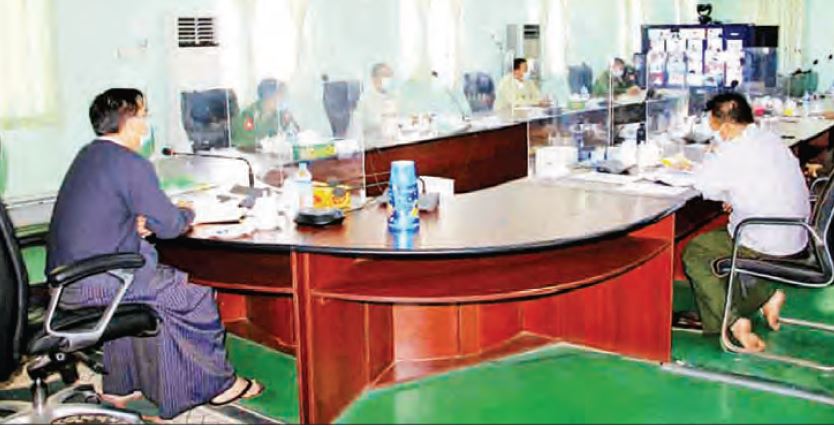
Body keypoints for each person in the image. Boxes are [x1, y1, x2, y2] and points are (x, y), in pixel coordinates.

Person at [46, 88, 263, 421]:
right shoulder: (131, 163)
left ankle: (120, 386)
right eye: (143, 114)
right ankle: (220, 386)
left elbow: (96, 214)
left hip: (67, 283)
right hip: (98, 281)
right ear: (129, 120)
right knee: (192, 294)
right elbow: (172, 225)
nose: (147, 123)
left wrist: (133, 224)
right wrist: (189, 211)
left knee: (142, 293)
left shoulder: (89, 155)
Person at [682, 92, 810, 352]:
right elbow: (756, 182)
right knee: (719, 233)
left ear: (726, 127)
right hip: (797, 235)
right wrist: (731, 195)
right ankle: (768, 294)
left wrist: (713, 152)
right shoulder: (769, 139)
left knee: (696, 251)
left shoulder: (733, 150)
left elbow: (703, 186)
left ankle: (734, 322)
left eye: (714, 126)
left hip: (768, 238)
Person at [232, 78, 300, 150]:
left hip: (271, 155)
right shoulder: (248, 115)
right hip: (246, 155)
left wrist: (290, 122)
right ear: (268, 97)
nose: (282, 99)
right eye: (279, 95)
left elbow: (295, 135)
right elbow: (245, 144)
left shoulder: (279, 114)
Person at [351, 62, 400, 147]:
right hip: (372, 146)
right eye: (384, 75)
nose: (388, 79)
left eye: (389, 76)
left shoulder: (393, 97)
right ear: (374, 79)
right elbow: (357, 129)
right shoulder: (365, 100)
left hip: (393, 144)